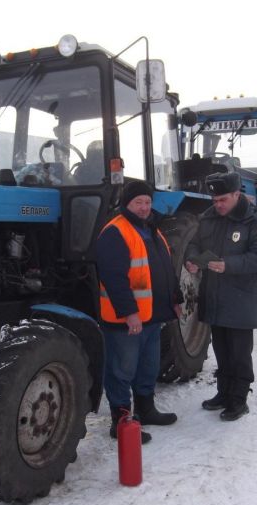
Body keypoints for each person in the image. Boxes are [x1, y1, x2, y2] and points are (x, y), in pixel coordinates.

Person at [96, 180, 183, 443]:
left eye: (147, 202)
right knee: (122, 370)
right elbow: (113, 277)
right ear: (127, 204)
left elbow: (166, 269)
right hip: (127, 321)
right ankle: (121, 423)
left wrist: (175, 299)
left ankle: (146, 410)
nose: (145, 207)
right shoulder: (115, 232)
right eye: (138, 202)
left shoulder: (152, 230)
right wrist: (129, 312)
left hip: (152, 316)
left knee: (148, 367)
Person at [184, 172, 257, 421]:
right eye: (215, 200)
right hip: (214, 297)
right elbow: (194, 244)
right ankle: (223, 393)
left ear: (237, 194)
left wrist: (229, 265)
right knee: (221, 349)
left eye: (223, 199)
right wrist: (192, 260)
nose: (218, 204)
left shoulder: (256, 222)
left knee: (239, 353)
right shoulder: (209, 217)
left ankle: (238, 399)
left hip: (240, 299)